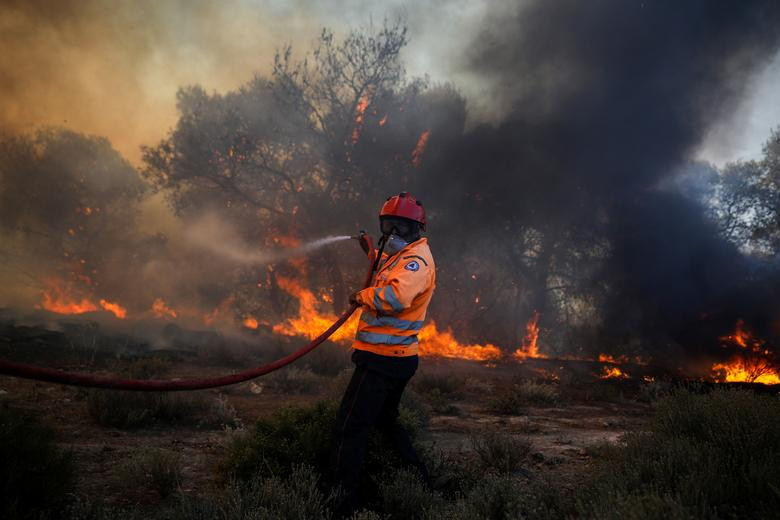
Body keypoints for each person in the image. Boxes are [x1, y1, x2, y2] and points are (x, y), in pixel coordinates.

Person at [331, 191, 435, 516]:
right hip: (390, 357)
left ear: (416, 229)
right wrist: (370, 251)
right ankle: (422, 482)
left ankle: (341, 503)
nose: (393, 234)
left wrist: (362, 296)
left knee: (351, 427)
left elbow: (395, 296)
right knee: (385, 422)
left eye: (400, 227)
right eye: (388, 226)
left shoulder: (416, 261)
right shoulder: (401, 255)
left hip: (383, 360)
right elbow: (389, 271)